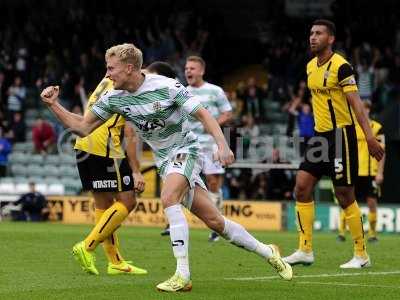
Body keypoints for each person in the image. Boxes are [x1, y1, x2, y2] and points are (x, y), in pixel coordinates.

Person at [41, 43, 292, 292]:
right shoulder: (114, 97)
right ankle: (268, 251)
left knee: (169, 197)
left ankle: (182, 275)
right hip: (165, 161)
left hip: (187, 149)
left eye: (111, 69)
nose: (107, 74)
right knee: (215, 221)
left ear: (129, 68)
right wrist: (54, 105)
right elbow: (83, 127)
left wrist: (222, 145)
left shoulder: (166, 86)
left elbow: (204, 114)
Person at [283, 20, 384, 269]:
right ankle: (305, 249)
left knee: (344, 194)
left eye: (318, 34)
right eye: (311, 33)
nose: (312, 37)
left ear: (331, 39)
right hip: (320, 137)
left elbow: (356, 104)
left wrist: (369, 136)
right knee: (301, 188)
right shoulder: (309, 67)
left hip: (341, 136)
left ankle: (361, 254)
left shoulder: (342, 66)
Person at [73, 76, 147, 276]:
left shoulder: (108, 79)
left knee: (104, 207)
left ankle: (115, 262)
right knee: (128, 201)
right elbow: (130, 132)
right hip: (104, 147)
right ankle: (87, 246)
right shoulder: (134, 85)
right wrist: (136, 171)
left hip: (83, 145)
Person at [184, 55, 233, 242]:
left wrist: (211, 123)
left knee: (213, 182)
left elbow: (227, 113)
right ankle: (174, 222)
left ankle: (217, 222)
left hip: (210, 143)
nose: (189, 71)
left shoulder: (215, 91)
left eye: (192, 68)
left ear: (202, 71)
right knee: (183, 180)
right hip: (188, 143)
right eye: (187, 68)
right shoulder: (181, 91)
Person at [337, 100, 385, 242]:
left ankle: (372, 234)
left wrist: (380, 172)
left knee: (372, 202)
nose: (363, 111)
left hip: (371, 172)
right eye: (360, 109)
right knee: (347, 201)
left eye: (366, 109)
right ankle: (341, 232)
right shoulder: (351, 127)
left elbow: (382, 152)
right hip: (354, 170)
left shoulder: (377, 128)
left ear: (369, 110)